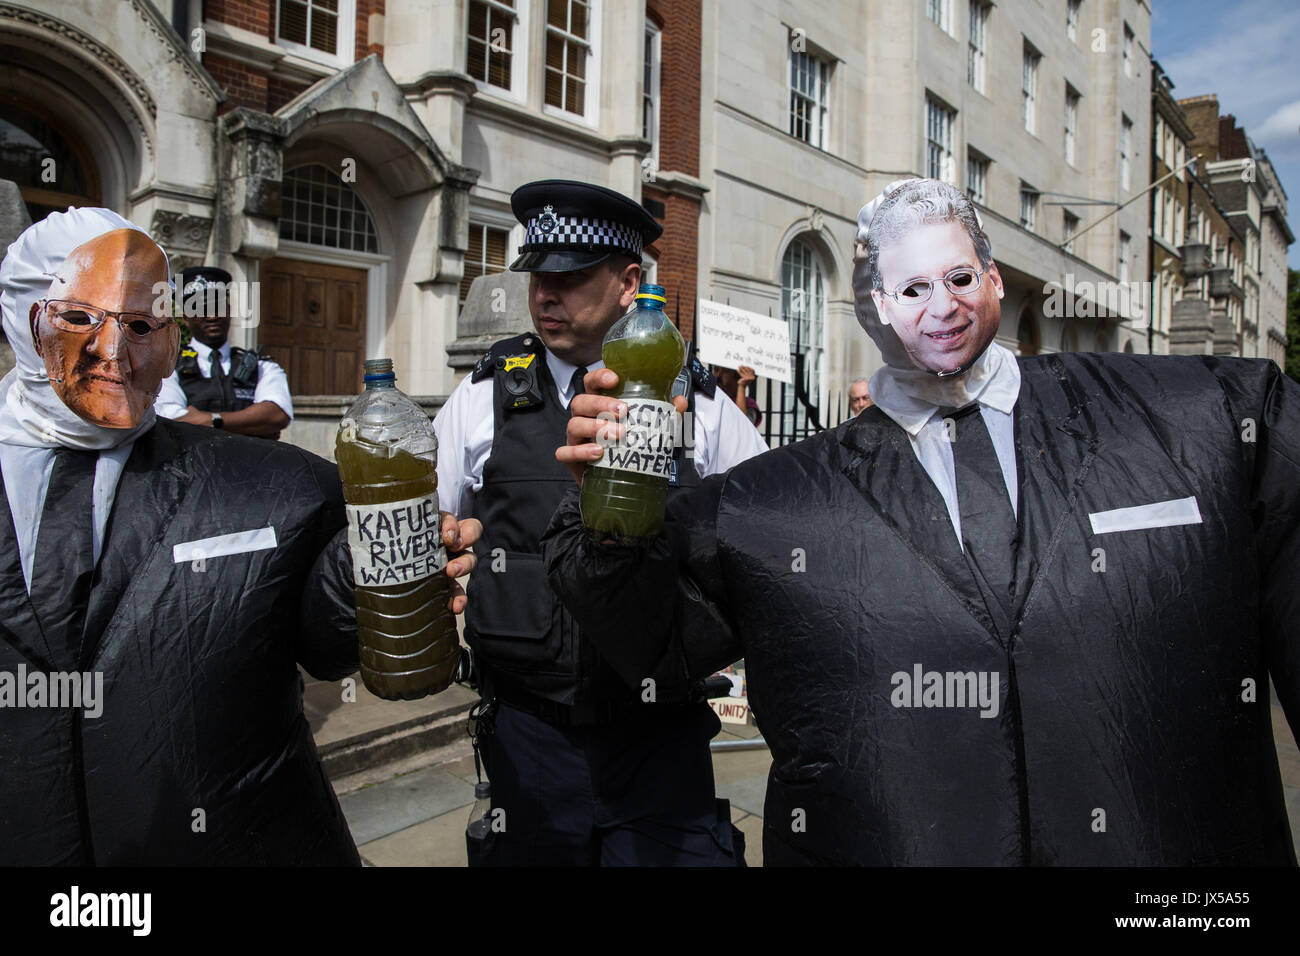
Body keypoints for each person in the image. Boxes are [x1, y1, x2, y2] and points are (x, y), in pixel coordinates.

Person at [546, 178, 1300, 866]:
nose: (944, 306)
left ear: (995, 277)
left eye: (961, 278)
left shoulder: (1209, 421)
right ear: (876, 304)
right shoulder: (772, 504)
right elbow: (647, 640)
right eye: (913, 288)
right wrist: (608, 510)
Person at [0, 208, 480, 865]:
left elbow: (325, 639)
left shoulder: (280, 489)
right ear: (21, 316)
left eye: (141, 326)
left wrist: (357, 576)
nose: (114, 353)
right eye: (80, 318)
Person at [434, 179, 768, 866]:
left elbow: (767, 536)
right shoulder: (483, 396)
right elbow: (432, 529)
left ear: (628, 282)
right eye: (538, 277)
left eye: (573, 276)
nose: (547, 295)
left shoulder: (695, 403)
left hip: (657, 737)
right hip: (529, 733)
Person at [154, 266, 292, 439]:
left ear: (229, 310)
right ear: (185, 318)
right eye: (201, 309)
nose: (211, 317)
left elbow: (277, 415)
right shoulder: (168, 368)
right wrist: (253, 423)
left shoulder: (262, 367)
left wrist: (212, 420)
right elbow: (172, 424)